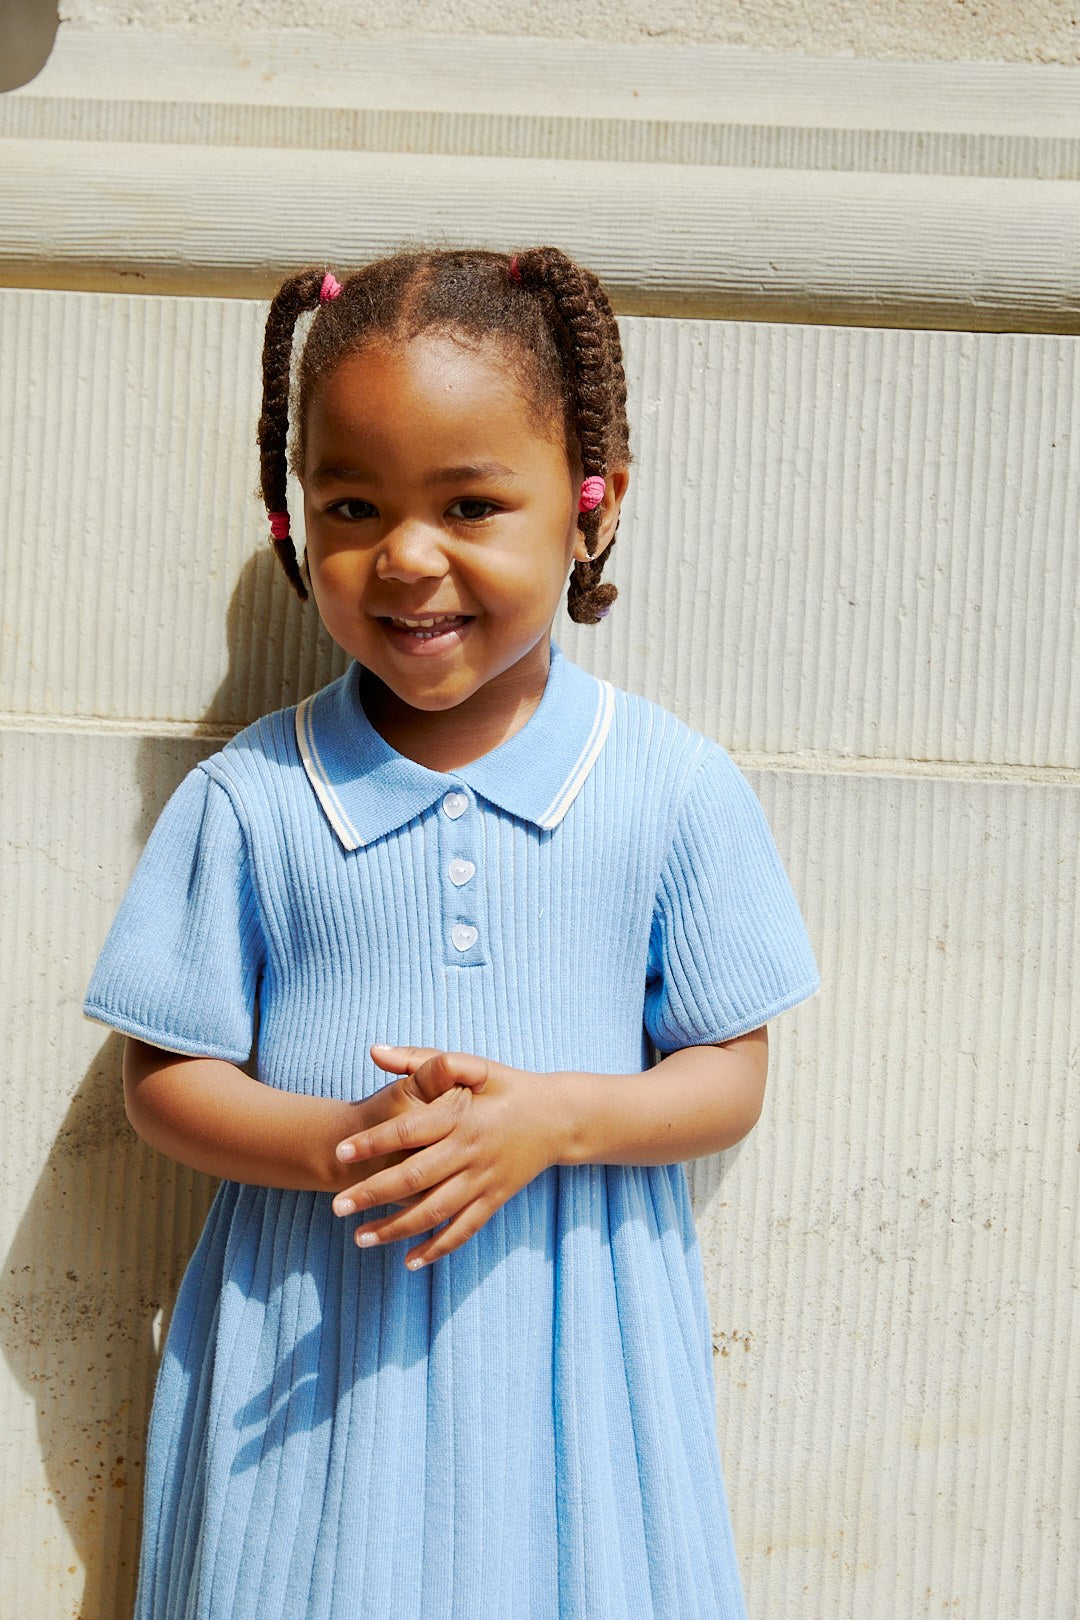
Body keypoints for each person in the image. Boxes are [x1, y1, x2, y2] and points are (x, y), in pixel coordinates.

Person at [85, 246, 819, 1620]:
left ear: (589, 508)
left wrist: (550, 1122)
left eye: (473, 503)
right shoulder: (252, 797)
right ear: (289, 516)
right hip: (304, 1374)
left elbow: (731, 1076)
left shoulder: (670, 785)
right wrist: (342, 1142)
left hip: (572, 1372)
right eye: (352, 503)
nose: (409, 557)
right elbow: (163, 1084)